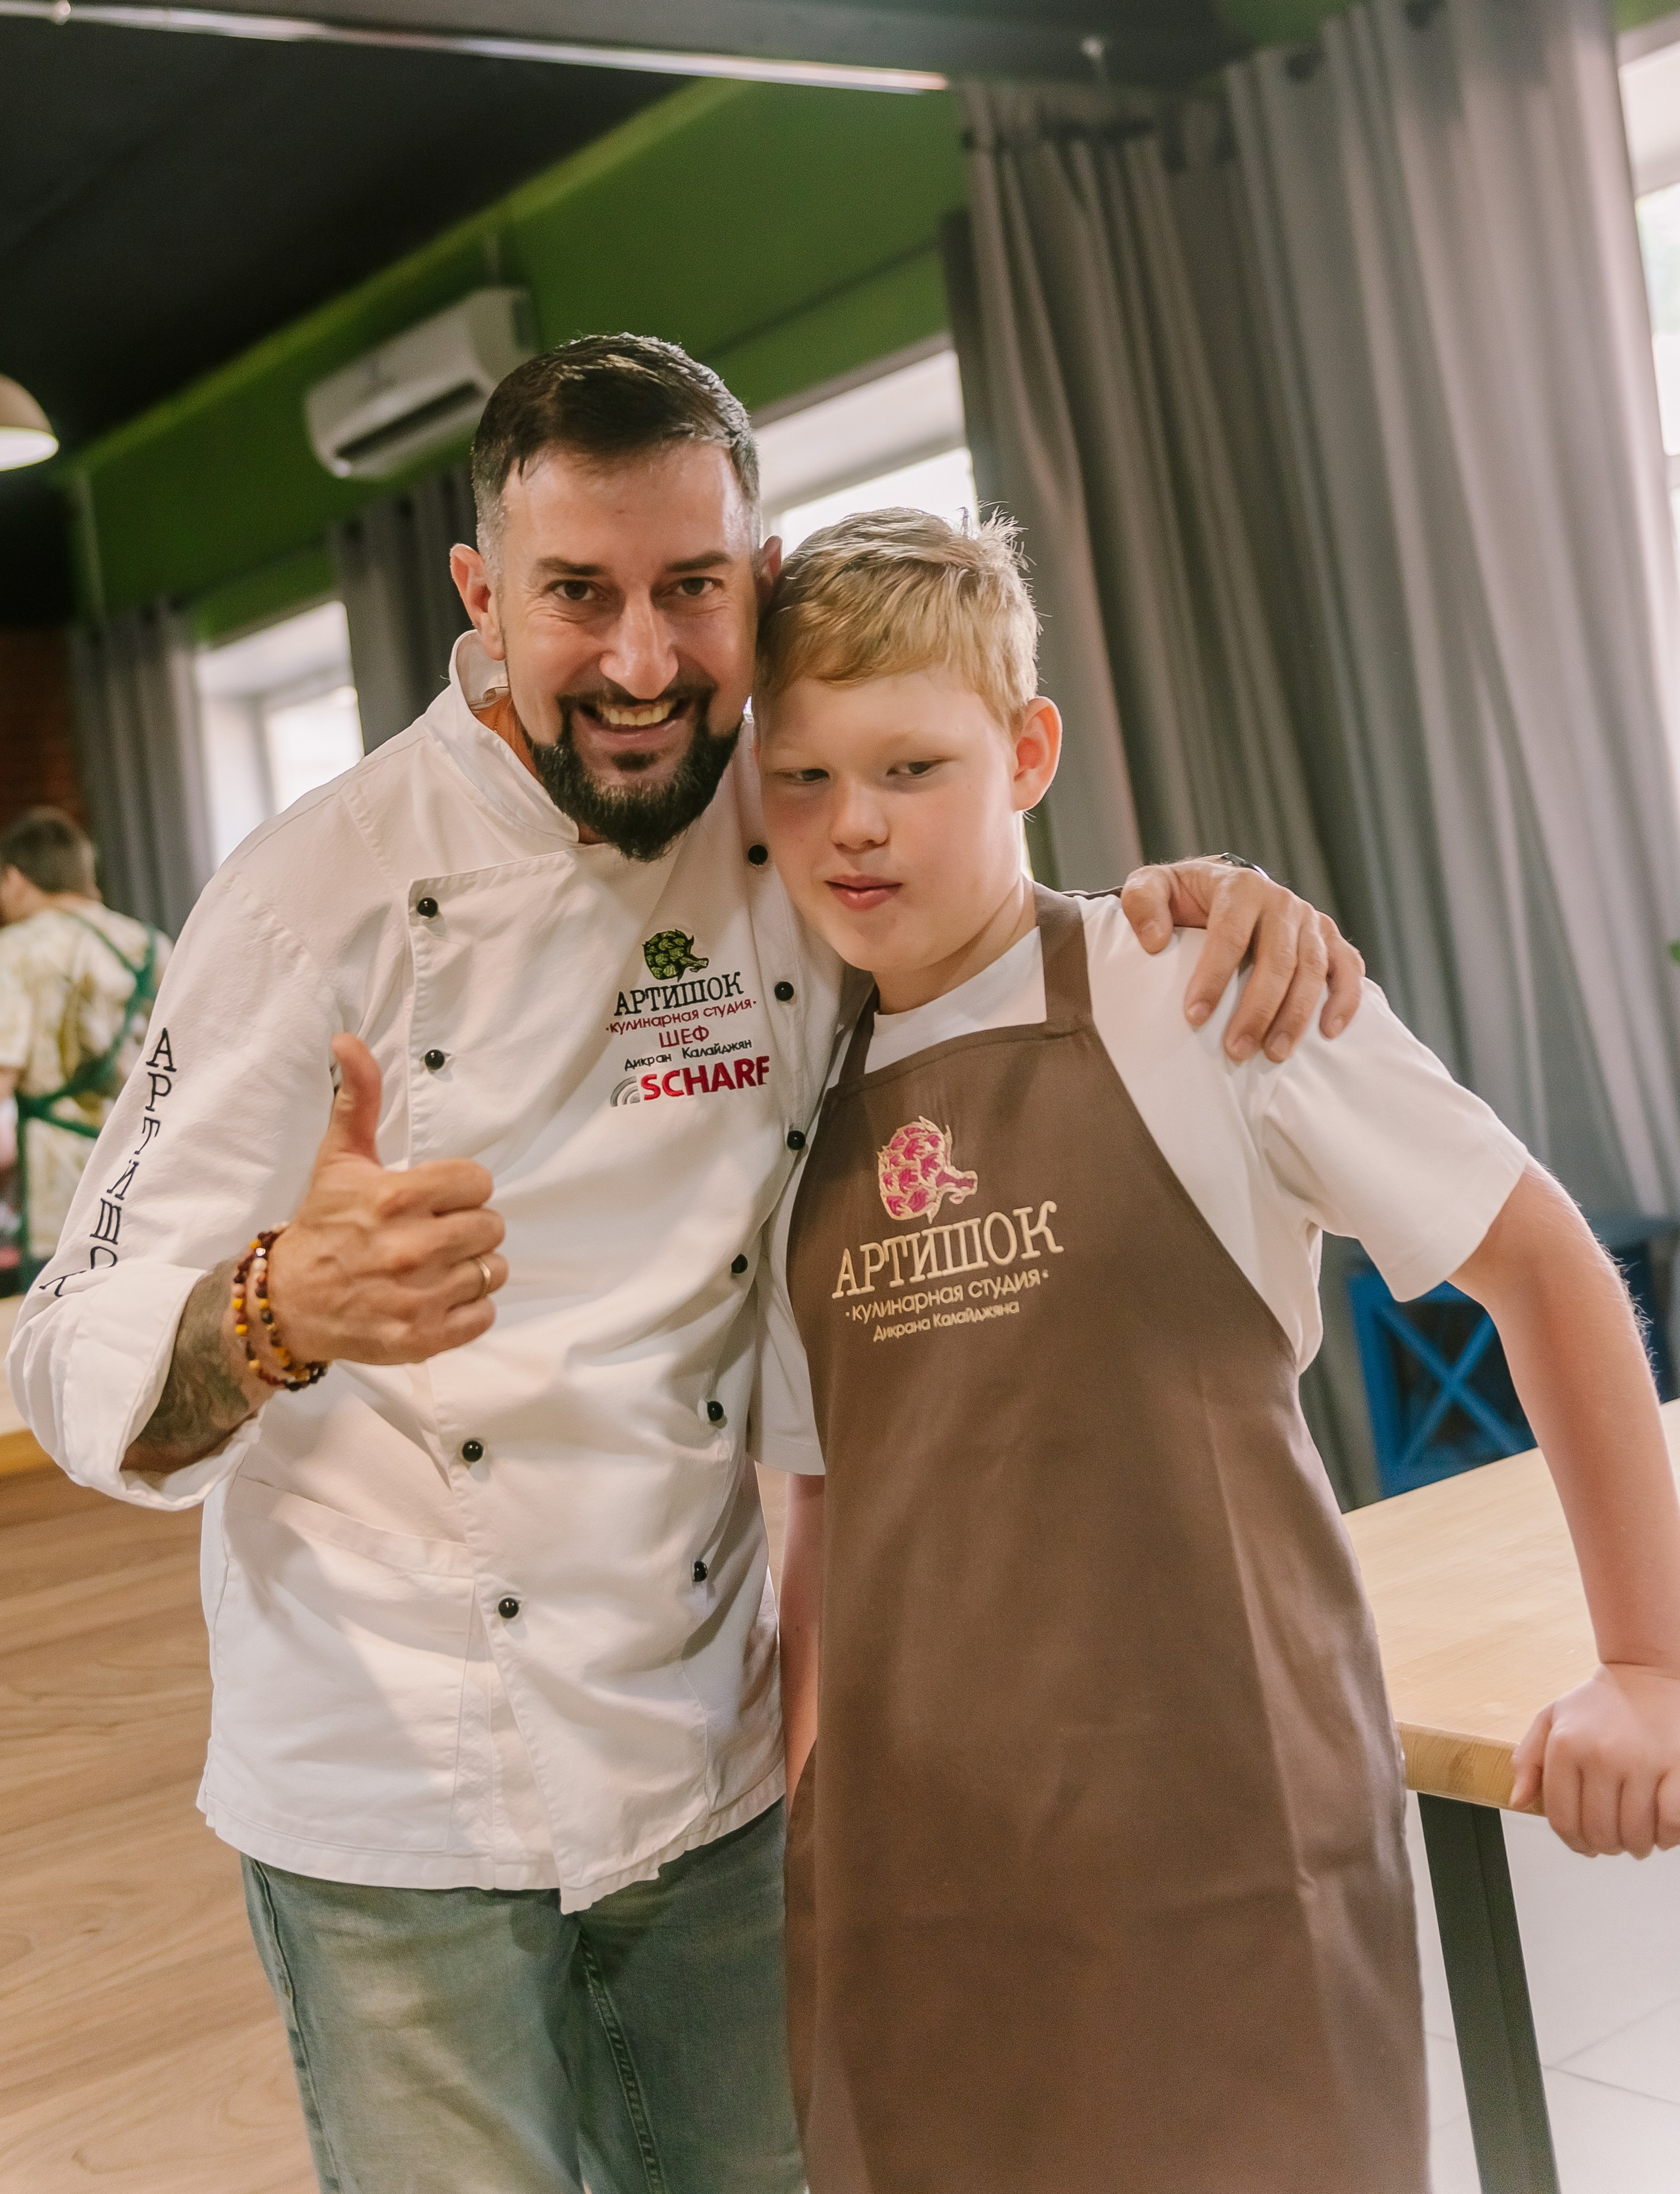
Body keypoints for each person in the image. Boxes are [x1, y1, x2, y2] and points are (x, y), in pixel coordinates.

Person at [10, 338, 1362, 2194]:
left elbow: (978, 891)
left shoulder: (780, 810)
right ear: (482, 594)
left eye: (690, 591)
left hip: (704, 1744)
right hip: (396, 1784)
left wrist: (1197, 903)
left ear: (758, 576)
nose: (642, 663)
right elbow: (63, 1345)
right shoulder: (307, 893)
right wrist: (275, 1310)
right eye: (579, 594)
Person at [751, 510, 1680, 2194]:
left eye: (909, 766)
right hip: (915, 1895)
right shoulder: (778, 1103)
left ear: (1027, 751)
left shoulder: (1202, 986)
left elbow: (1540, 1262)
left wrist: (1649, 1662)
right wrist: (799, 1827)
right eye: (801, 777)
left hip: (1229, 1854)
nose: (852, 822)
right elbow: (813, 1506)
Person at [0, 807, 166, 1295]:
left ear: (16, 878)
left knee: (64, 1322)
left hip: (60, 1195)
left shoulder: (14, 951)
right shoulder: (150, 944)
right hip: (147, 1169)